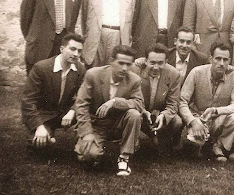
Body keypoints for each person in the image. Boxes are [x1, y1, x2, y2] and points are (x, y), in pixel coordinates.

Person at [74, 45, 144, 176]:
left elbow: (139, 104)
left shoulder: (134, 79)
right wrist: (87, 133)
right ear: (111, 61)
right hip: (96, 124)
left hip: (118, 124)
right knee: (88, 156)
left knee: (134, 114)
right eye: (121, 63)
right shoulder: (93, 75)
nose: (124, 68)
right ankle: (91, 145)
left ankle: (124, 158)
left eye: (128, 64)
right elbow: (81, 104)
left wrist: (115, 102)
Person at [179, 42, 234, 162]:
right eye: (218, 59)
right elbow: (182, 101)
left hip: (220, 118)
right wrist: (193, 122)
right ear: (210, 59)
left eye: (225, 59)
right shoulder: (196, 72)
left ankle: (218, 145)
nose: (221, 63)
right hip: (200, 117)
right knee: (195, 142)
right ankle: (202, 144)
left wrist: (216, 110)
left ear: (229, 60)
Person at [20, 0, 83, 74]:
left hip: (62, 44)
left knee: (58, 81)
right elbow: (25, 21)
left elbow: (72, 23)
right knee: (36, 82)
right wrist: (34, 38)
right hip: (39, 44)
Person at [21, 33, 85, 151]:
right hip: (44, 114)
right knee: (38, 144)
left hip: (66, 113)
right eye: (72, 49)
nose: (76, 54)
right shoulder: (41, 68)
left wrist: (72, 111)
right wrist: (39, 126)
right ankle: (45, 133)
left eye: (79, 51)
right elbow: (27, 101)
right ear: (61, 49)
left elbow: (83, 96)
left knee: (88, 111)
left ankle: (84, 142)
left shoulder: (80, 68)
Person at [81, 0, 136, 68]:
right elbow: (84, 22)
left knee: (114, 71)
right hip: (97, 38)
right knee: (94, 72)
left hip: (118, 38)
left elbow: (131, 24)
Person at [131, 43, 182, 155]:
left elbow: (173, 103)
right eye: (152, 62)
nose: (155, 67)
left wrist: (163, 115)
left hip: (158, 114)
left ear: (166, 62)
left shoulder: (174, 74)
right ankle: (136, 139)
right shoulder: (134, 70)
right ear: (145, 61)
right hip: (139, 111)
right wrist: (142, 112)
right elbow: (128, 97)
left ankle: (161, 138)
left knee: (177, 121)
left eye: (160, 63)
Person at [134, 26, 209, 85]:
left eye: (188, 42)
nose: (184, 45)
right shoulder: (166, 55)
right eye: (182, 41)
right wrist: (141, 60)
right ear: (175, 41)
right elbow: (151, 61)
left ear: (192, 43)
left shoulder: (201, 59)